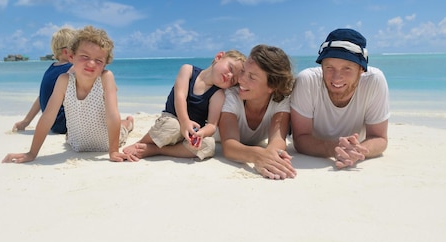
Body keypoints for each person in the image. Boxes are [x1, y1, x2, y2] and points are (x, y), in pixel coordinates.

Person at [2, 25, 133, 163]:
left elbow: (112, 115)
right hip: (75, 143)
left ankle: (129, 123)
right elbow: (47, 117)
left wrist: (113, 151)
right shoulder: (64, 81)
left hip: (106, 142)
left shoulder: (106, 78)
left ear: (105, 64)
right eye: (85, 56)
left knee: (122, 126)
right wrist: (31, 153)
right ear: (71, 56)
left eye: (99, 60)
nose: (91, 63)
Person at [290, 28, 389, 169]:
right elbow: (300, 139)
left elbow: (380, 138)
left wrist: (357, 151)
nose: (336, 77)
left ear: (361, 69)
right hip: (319, 147)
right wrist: (334, 149)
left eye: (347, 68)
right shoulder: (307, 80)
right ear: (322, 66)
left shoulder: (374, 80)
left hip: (355, 145)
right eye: (329, 67)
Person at [123, 50, 246, 161]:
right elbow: (180, 97)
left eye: (233, 80)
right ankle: (140, 144)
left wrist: (201, 133)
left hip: (191, 133)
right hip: (173, 118)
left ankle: (157, 149)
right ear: (219, 57)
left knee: (209, 145)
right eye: (230, 68)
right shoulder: (188, 70)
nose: (229, 76)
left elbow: (212, 125)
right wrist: (185, 122)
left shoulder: (218, 94)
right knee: (172, 127)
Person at [218, 45, 296, 180]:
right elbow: (229, 146)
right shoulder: (232, 96)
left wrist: (272, 157)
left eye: (252, 77)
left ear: (272, 86)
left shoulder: (280, 101)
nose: (241, 80)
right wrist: (257, 155)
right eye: (242, 71)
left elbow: (277, 139)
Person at [12, 27, 76, 134]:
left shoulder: (52, 68)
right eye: (78, 48)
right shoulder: (72, 68)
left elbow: (41, 97)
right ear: (66, 51)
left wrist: (25, 122)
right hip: (64, 124)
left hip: (52, 124)